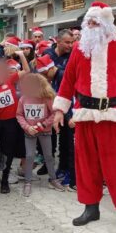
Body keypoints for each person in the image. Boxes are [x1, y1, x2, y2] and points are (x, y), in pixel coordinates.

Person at [52, 2, 116, 233]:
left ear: (106, 25)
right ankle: (91, 207)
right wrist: (59, 110)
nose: (92, 26)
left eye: (96, 22)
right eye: (89, 22)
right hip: (85, 117)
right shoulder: (79, 50)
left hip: (113, 116)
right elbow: (67, 82)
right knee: (86, 166)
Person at [0, 52, 30, 194]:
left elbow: (27, 71)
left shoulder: (10, 80)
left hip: (12, 122)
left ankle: (4, 181)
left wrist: (21, 55)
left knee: (9, 152)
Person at [16, 73, 64, 196]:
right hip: (30, 131)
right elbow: (19, 114)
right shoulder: (23, 98)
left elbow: (54, 113)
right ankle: (27, 181)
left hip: (45, 131)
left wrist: (43, 125)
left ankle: (52, 179)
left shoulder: (46, 97)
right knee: (29, 156)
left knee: (48, 156)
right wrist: (27, 127)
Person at [44, 30, 75, 187]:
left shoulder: (73, 56)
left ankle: (70, 172)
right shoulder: (48, 54)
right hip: (51, 103)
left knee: (69, 141)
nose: (70, 45)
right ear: (58, 41)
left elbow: (73, 76)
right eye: (67, 42)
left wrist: (59, 73)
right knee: (59, 139)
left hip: (68, 104)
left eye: (72, 42)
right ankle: (61, 167)